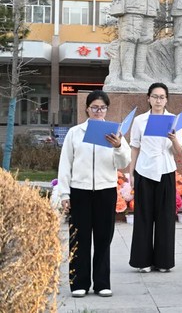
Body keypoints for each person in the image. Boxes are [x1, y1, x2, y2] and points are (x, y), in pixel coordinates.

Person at [57, 90, 131, 298]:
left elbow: (124, 163)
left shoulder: (115, 133)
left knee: (103, 238)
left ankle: (102, 283)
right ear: (87, 109)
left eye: (102, 108)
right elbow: (65, 165)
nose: (99, 111)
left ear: (107, 109)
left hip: (105, 191)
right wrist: (64, 194)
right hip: (80, 191)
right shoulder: (75, 133)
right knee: (79, 238)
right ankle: (79, 283)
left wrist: (118, 146)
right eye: (95, 107)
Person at [129, 82, 182, 273]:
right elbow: (135, 147)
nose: (158, 100)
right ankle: (142, 261)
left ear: (166, 100)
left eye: (162, 97)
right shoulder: (140, 121)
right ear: (148, 98)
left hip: (166, 170)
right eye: (155, 96)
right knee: (143, 216)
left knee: (165, 217)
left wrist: (173, 138)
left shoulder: (174, 120)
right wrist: (131, 173)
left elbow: (179, 150)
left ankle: (163, 261)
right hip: (144, 170)